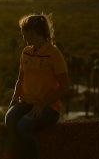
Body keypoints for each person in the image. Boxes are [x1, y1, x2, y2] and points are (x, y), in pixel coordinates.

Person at [5, 13, 70, 159]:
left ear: (36, 33)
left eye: (26, 33)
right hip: (26, 102)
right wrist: (14, 100)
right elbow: (20, 79)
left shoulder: (54, 54)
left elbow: (65, 87)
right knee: (9, 119)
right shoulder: (26, 52)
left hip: (48, 108)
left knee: (23, 126)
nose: (23, 37)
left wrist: (42, 104)